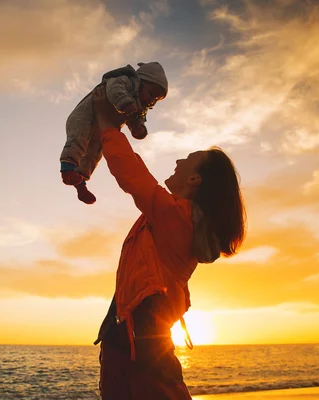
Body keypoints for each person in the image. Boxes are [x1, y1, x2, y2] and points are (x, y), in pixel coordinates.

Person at [91, 84, 246, 399]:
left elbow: (134, 176)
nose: (177, 161)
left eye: (187, 159)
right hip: (130, 341)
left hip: (141, 347)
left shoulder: (180, 217)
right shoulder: (172, 217)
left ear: (194, 179)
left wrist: (107, 125)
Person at [60, 62, 168, 205]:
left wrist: (138, 128)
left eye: (155, 100)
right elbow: (114, 89)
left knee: (94, 153)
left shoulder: (139, 108)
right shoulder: (126, 82)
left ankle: (80, 182)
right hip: (86, 115)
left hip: (101, 128)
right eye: (151, 94)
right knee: (79, 138)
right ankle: (67, 167)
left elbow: (136, 119)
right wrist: (125, 103)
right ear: (141, 82)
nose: (151, 100)